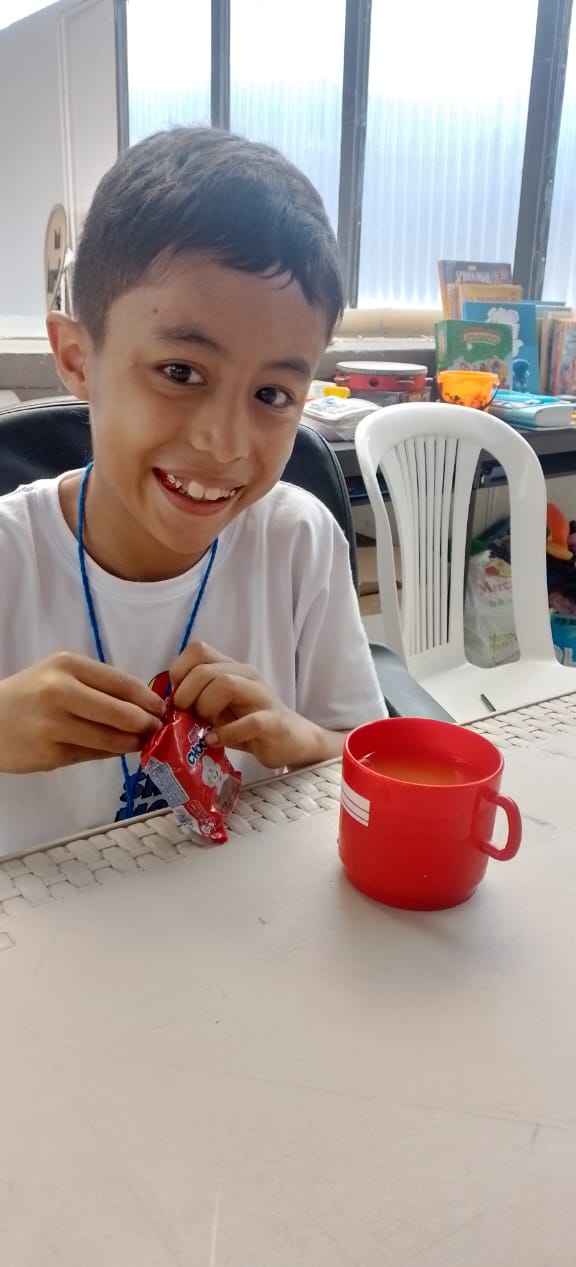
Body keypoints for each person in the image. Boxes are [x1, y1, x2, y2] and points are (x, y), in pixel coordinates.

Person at [0, 127, 385, 855]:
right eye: (180, 372)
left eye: (273, 393)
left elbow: (370, 757)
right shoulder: (9, 558)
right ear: (77, 359)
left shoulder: (297, 543)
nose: (226, 443)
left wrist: (299, 737)